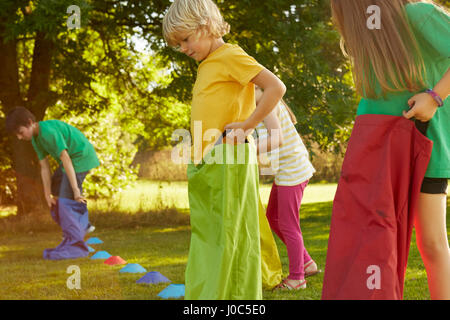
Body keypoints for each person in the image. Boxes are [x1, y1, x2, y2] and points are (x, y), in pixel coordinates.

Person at [323, 0, 449, 299]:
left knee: (431, 242)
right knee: (373, 238)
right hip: (376, 153)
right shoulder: (367, 34)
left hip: (425, 148)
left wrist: (435, 96)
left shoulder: (417, 14)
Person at [162, 0, 286, 299]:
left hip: (229, 158)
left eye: (186, 39)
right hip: (210, 160)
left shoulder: (230, 55)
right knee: (211, 237)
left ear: (205, 26)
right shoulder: (208, 64)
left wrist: (247, 125)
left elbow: (275, 87)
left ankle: (232, 299)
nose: (183, 49)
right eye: (178, 44)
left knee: (229, 236)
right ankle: (210, 297)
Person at [5, 107, 99, 258]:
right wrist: (47, 193)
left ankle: (78, 239)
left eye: (21, 132)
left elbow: (65, 158)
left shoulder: (47, 132)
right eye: (17, 135)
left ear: (30, 123)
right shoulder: (36, 139)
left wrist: (75, 190)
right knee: (57, 191)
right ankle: (75, 230)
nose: (19, 138)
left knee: (65, 199)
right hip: (70, 162)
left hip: (81, 158)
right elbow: (44, 167)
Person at [254, 86, 319, 290]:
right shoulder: (261, 100)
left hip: (292, 169)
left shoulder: (264, 101)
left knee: (289, 225)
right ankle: (307, 263)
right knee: (273, 216)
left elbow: (276, 139)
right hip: (287, 169)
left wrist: (246, 148)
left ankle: (297, 278)